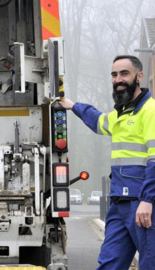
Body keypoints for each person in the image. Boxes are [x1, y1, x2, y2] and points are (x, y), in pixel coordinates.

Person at [59, 55, 155, 270]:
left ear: (139, 77)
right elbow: (98, 121)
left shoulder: (150, 112)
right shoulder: (121, 115)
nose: (118, 79)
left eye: (124, 73)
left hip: (143, 204)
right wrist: (72, 105)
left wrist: (148, 200)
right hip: (120, 204)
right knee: (110, 263)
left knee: (150, 263)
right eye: (114, 74)